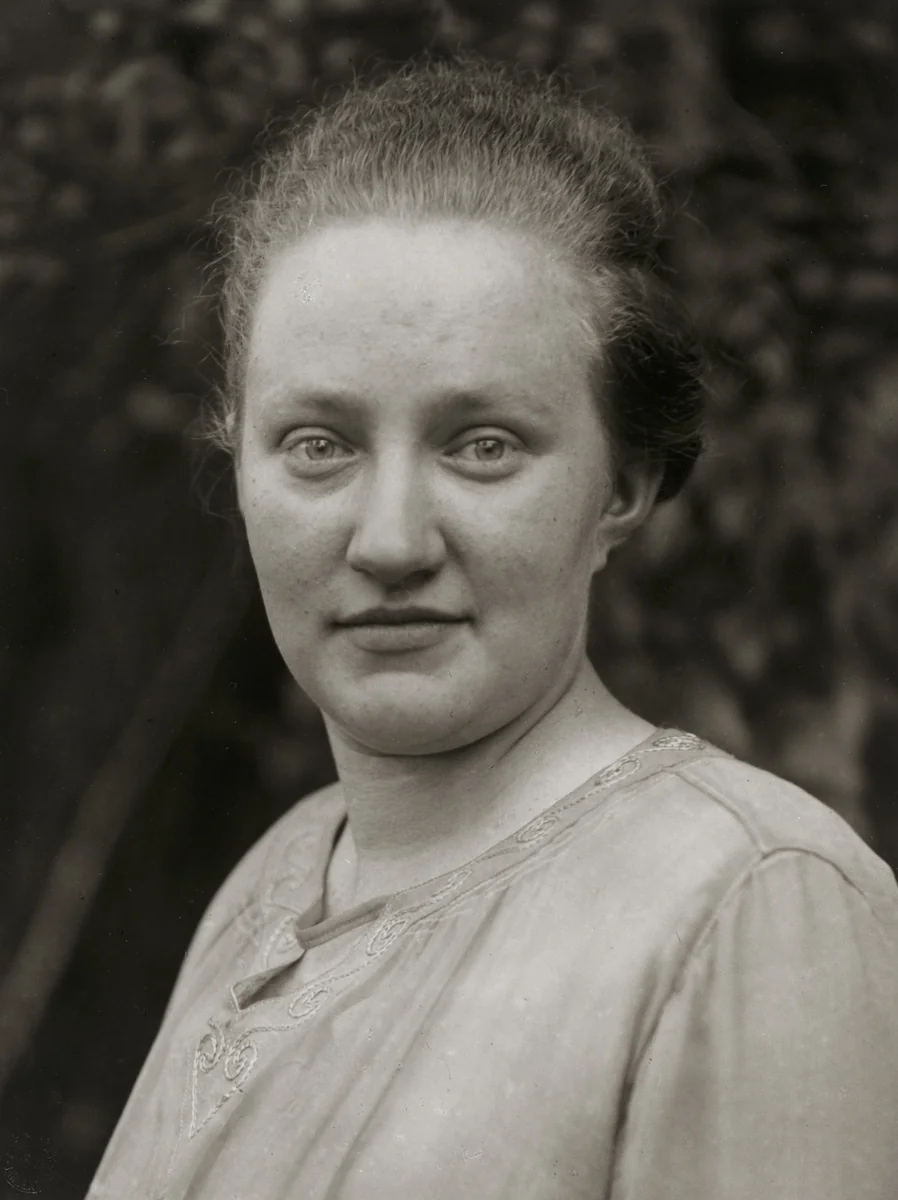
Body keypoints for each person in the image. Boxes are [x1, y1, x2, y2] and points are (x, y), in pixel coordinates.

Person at [88, 58, 898, 1200]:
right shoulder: (271, 882)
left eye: (483, 446)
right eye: (319, 444)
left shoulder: (750, 906)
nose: (389, 540)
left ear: (623, 484)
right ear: (239, 461)